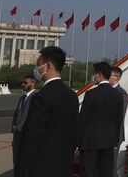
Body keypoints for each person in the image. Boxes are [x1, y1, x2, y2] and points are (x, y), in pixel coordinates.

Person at [18, 46, 79, 177]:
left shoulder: (41, 97)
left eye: (38, 65)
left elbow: (32, 135)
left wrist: (23, 166)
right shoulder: (72, 95)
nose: (36, 69)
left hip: (42, 165)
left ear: (48, 66)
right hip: (64, 163)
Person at [79, 62, 123, 177]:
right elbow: (119, 119)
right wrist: (115, 141)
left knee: (89, 172)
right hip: (109, 142)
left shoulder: (91, 94)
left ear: (99, 75)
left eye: (94, 74)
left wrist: (78, 141)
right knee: (106, 172)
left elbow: (83, 118)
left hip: (90, 142)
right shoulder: (118, 94)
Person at [11, 75, 38, 174]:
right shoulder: (22, 98)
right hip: (17, 135)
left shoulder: (36, 97)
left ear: (33, 83)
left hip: (26, 135)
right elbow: (17, 113)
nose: (23, 84)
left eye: (25, 83)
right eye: (22, 83)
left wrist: (19, 126)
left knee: (25, 163)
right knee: (16, 161)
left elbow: (28, 115)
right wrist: (14, 125)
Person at [109, 66, 128, 176]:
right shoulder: (108, 91)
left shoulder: (121, 94)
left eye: (109, 75)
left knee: (112, 167)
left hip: (114, 136)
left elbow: (120, 117)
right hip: (105, 135)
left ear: (116, 77)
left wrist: (115, 139)